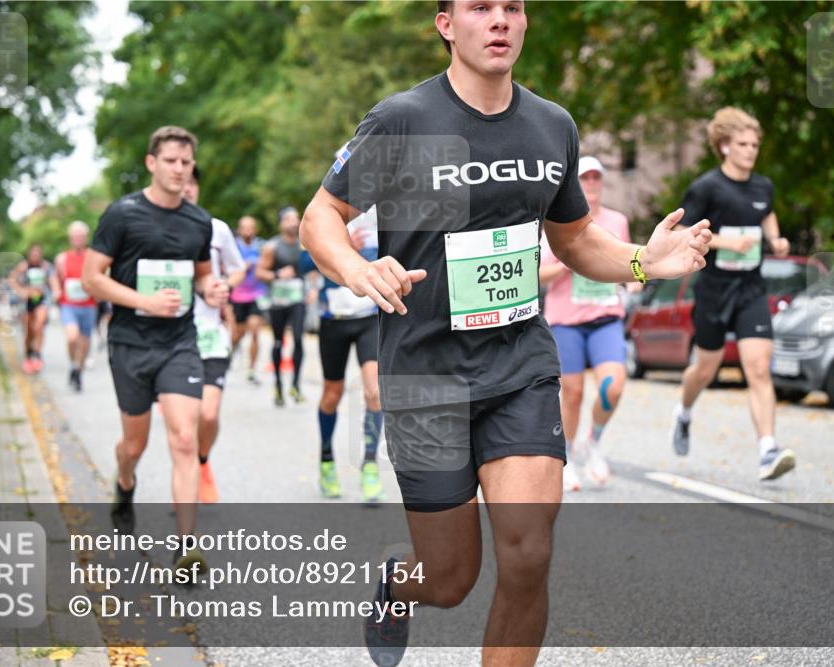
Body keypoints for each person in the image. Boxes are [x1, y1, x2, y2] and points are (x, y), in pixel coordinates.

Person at [299, 2, 711, 665]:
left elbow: (573, 237)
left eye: (511, 7)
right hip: (425, 373)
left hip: (518, 364)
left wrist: (642, 261)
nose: (499, 20)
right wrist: (353, 265)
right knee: (450, 576)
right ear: (445, 24)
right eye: (480, 7)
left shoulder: (550, 127)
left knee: (528, 551)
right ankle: (399, 583)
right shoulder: (405, 120)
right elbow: (321, 215)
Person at [82, 125, 229, 573]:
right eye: (171, 161)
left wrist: (211, 289)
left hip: (179, 343)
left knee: (185, 438)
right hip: (130, 342)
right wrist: (143, 301)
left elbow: (202, 274)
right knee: (134, 444)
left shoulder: (198, 221)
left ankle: (186, 548)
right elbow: (92, 278)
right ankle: (125, 484)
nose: (180, 170)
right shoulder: (122, 214)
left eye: (186, 162)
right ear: (151, 163)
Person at [671, 107, 796, 482]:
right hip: (713, 289)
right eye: (742, 143)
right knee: (705, 369)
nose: (750, 150)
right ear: (724, 146)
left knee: (758, 368)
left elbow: (767, 213)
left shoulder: (763, 186)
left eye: (755, 144)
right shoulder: (707, 187)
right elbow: (685, 232)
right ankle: (684, 411)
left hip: (751, 289)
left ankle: (767, 450)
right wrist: (728, 241)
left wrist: (775, 239)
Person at [538, 156, 633, 491]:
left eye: (596, 178)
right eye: (585, 178)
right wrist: (571, 260)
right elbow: (538, 272)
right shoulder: (558, 220)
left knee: (614, 386)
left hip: (605, 317)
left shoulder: (617, 221)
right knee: (573, 393)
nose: (591, 184)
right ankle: (565, 456)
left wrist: (632, 278)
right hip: (567, 320)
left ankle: (593, 441)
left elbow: (622, 262)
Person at [301, 204, 384, 502]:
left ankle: (370, 464)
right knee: (331, 394)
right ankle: (326, 461)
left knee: (374, 390)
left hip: (368, 319)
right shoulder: (327, 213)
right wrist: (342, 250)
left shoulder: (382, 216)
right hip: (333, 321)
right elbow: (302, 260)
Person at [182, 166, 246, 503]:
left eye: (193, 182)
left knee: (208, 414)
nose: (187, 188)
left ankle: (202, 461)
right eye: (183, 182)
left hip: (210, 332)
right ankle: (185, 480)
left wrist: (225, 287)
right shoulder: (160, 228)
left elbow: (238, 268)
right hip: (174, 336)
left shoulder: (217, 229)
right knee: (184, 420)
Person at [256, 206, 309, 407]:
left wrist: (311, 288)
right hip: (278, 301)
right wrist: (277, 275)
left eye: (296, 218)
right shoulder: (272, 247)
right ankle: (278, 384)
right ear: (281, 223)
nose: (294, 222)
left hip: (297, 299)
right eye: (288, 219)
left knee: (298, 338)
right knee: (278, 341)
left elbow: (312, 269)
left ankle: (295, 384)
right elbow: (260, 272)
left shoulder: (304, 245)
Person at [54, 221, 98, 392]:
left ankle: (78, 370)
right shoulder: (61, 258)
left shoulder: (92, 257)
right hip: (69, 304)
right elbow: (55, 278)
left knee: (85, 342)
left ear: (86, 238)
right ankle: (73, 364)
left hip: (88, 305)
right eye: (75, 235)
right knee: (72, 337)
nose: (78, 238)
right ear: (70, 238)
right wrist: (57, 290)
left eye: (81, 236)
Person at [8, 244, 58, 375]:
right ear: (29, 255)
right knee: (29, 332)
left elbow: (53, 281)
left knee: (39, 325)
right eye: (33, 254)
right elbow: (12, 279)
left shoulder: (46, 267)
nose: (35, 256)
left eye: (38, 253)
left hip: (41, 300)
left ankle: (37, 354)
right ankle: (28, 356)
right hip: (27, 302)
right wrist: (21, 291)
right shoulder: (23, 266)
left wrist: (56, 291)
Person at [230, 215, 268, 385]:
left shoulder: (261, 246)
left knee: (254, 330)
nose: (247, 230)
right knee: (238, 333)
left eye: (250, 227)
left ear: (255, 230)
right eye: (244, 227)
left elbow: (268, 265)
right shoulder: (233, 246)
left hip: (256, 295)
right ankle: (232, 350)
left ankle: (251, 370)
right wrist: (240, 268)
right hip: (237, 296)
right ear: (239, 229)